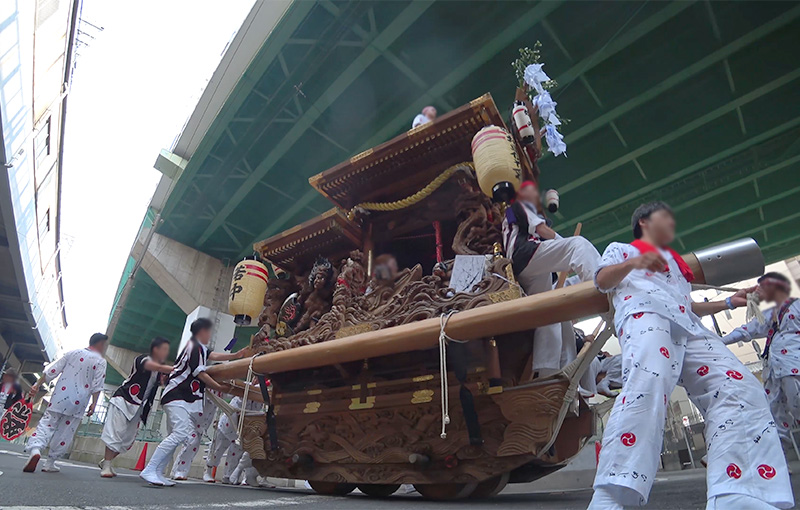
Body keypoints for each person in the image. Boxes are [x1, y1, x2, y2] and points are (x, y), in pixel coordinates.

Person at [588, 202, 793, 510]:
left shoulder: (676, 266)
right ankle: (613, 495)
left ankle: (738, 493)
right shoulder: (621, 249)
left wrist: (728, 302)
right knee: (648, 383)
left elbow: (685, 304)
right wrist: (636, 262)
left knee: (739, 387)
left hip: (688, 325)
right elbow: (603, 280)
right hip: (645, 314)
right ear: (644, 222)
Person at [502, 180, 601, 377]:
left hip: (526, 267)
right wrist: (566, 247)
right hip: (526, 255)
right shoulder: (519, 205)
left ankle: (548, 373)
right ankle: (603, 289)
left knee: (552, 312)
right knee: (578, 245)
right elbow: (542, 230)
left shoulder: (515, 213)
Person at [138, 318, 249, 486]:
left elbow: (213, 354)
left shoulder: (200, 348)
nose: (210, 335)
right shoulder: (194, 346)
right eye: (208, 331)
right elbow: (200, 373)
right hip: (177, 395)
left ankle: (158, 472)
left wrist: (235, 355)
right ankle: (150, 469)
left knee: (176, 435)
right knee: (180, 434)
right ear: (202, 331)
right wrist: (219, 386)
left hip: (180, 397)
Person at [722, 272, 800, 444]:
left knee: (797, 406)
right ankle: (781, 465)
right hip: (773, 372)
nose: (759, 291)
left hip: (793, 367)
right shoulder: (768, 314)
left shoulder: (797, 306)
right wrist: (719, 342)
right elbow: (746, 331)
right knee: (775, 420)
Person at [24, 333, 108, 473]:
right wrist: (94, 403)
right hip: (78, 402)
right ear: (100, 344)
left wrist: (37, 384)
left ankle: (36, 449)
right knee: (65, 431)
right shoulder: (100, 361)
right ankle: (50, 462)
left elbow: (52, 370)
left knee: (47, 423)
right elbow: (97, 385)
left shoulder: (73, 353)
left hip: (59, 397)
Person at [99, 337, 172, 478]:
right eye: (164, 349)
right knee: (116, 432)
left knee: (127, 440)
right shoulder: (143, 359)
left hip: (138, 406)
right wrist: (178, 368)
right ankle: (106, 465)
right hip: (123, 399)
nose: (165, 353)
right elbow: (152, 366)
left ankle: (106, 461)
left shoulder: (159, 371)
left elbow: (162, 381)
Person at [203, 386, 261, 484]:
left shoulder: (261, 398)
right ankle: (208, 470)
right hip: (227, 425)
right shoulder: (244, 387)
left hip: (242, 429)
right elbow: (228, 392)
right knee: (217, 449)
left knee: (235, 455)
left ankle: (228, 475)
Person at [170, 391, 219, 481]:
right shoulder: (205, 381)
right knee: (192, 441)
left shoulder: (222, 389)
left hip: (203, 422)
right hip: (191, 415)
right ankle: (179, 470)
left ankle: (178, 470)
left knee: (194, 446)